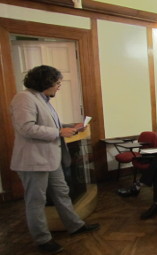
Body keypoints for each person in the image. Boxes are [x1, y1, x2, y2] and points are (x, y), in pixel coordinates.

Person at [9, 65, 99, 254]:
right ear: (45, 82)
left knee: (62, 193)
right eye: (57, 82)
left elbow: (48, 125)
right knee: (36, 201)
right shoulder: (24, 98)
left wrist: (70, 126)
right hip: (33, 161)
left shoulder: (43, 99)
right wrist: (59, 132)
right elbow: (26, 128)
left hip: (51, 159)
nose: (59, 86)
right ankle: (42, 239)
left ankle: (75, 225)